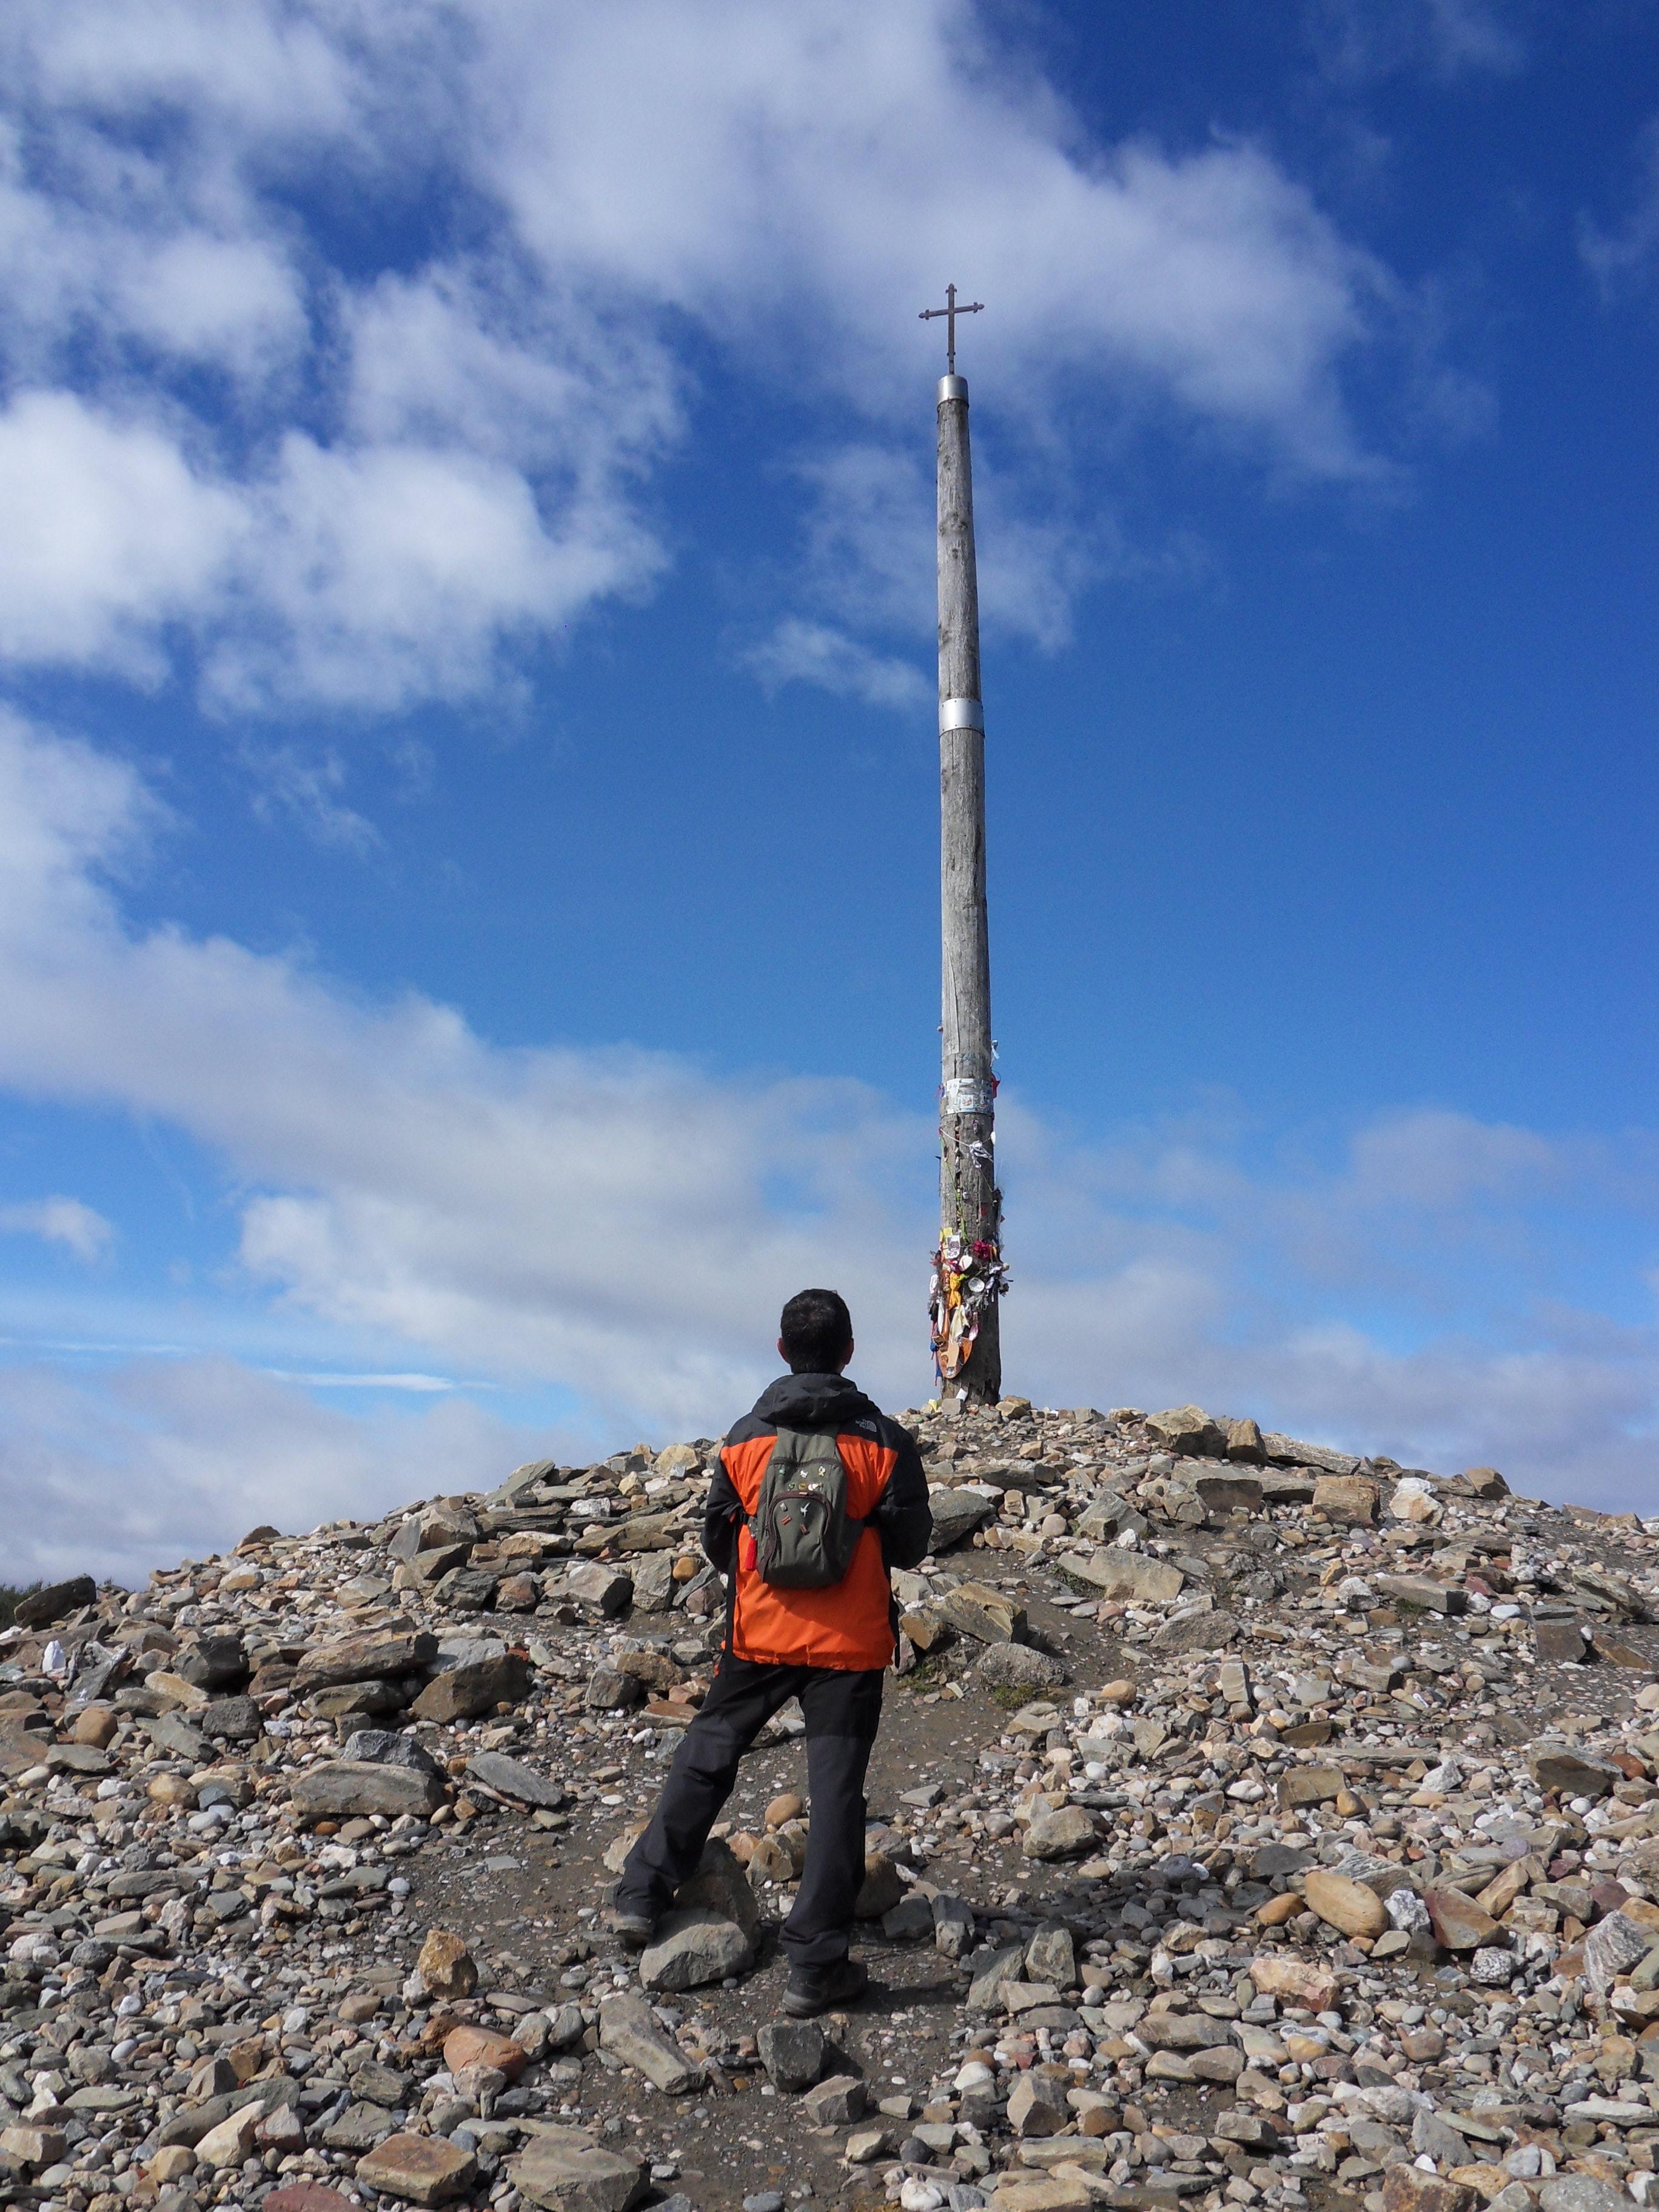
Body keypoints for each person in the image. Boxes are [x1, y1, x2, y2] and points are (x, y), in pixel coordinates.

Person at [606, 1288, 933, 2017]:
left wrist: (767, 1568)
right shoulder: (883, 1440)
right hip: (849, 1645)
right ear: (849, 1351)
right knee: (837, 1790)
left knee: (710, 1749)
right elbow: (912, 1544)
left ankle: (642, 1893)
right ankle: (815, 1966)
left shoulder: (746, 1436)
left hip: (759, 1632)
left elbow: (716, 1538)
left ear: (782, 1350)